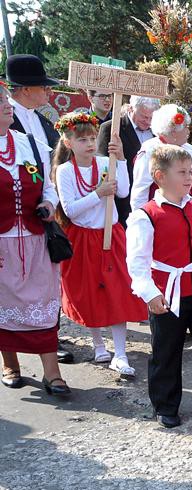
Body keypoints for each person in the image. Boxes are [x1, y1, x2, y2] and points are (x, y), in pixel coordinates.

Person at [126, 144, 192, 428]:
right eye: (182, 172)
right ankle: (165, 405)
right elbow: (136, 263)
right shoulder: (145, 215)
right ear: (160, 176)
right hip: (167, 294)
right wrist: (149, 293)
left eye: (191, 172)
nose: (189, 178)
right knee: (166, 350)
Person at [52, 112, 146, 377]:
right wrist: (98, 194)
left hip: (110, 234)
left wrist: (123, 159)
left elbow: (124, 192)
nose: (90, 143)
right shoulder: (65, 170)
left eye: (93, 138)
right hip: (82, 237)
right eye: (82, 139)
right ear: (69, 142)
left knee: (118, 291)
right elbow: (70, 211)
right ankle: (98, 343)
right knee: (90, 292)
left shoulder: (106, 162)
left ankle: (120, 353)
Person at [0, 80, 68, 394]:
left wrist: (48, 203)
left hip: (35, 239)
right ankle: (10, 365)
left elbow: (49, 184)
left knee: (43, 302)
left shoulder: (28, 143)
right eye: (1, 104)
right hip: (2, 244)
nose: (7, 106)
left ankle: (52, 373)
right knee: (4, 303)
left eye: (6, 102)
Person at [98, 96, 159, 224]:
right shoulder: (111, 128)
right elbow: (103, 166)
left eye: (152, 117)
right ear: (131, 109)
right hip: (121, 203)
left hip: (152, 200)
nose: (148, 121)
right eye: (143, 116)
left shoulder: (158, 131)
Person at [130, 105, 192, 210]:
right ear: (173, 130)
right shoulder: (151, 149)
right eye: (186, 127)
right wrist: (141, 219)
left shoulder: (189, 148)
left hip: (189, 210)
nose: (188, 131)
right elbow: (140, 190)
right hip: (161, 213)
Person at [6, 54, 59, 148]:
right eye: (44, 88)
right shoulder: (4, 119)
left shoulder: (44, 121)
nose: (51, 93)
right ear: (26, 90)